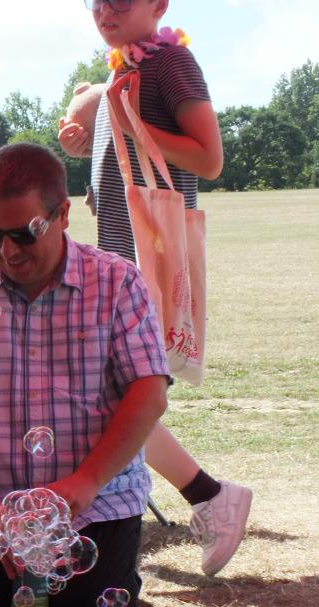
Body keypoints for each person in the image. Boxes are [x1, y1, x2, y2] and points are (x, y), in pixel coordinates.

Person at [0, 143, 170, 607]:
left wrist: (83, 484)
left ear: (62, 215)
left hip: (95, 498)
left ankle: (116, 567)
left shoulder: (118, 282)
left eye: (23, 233)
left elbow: (149, 393)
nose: (8, 251)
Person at [58, 0, 251, 576]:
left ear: (159, 5)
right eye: (96, 2)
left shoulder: (172, 63)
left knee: (119, 396)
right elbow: (119, 157)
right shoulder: (124, 66)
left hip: (150, 257)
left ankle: (211, 497)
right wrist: (88, 136)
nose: (105, 10)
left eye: (121, 0)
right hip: (123, 257)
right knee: (109, 393)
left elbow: (210, 159)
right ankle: (194, 498)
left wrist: (133, 124)